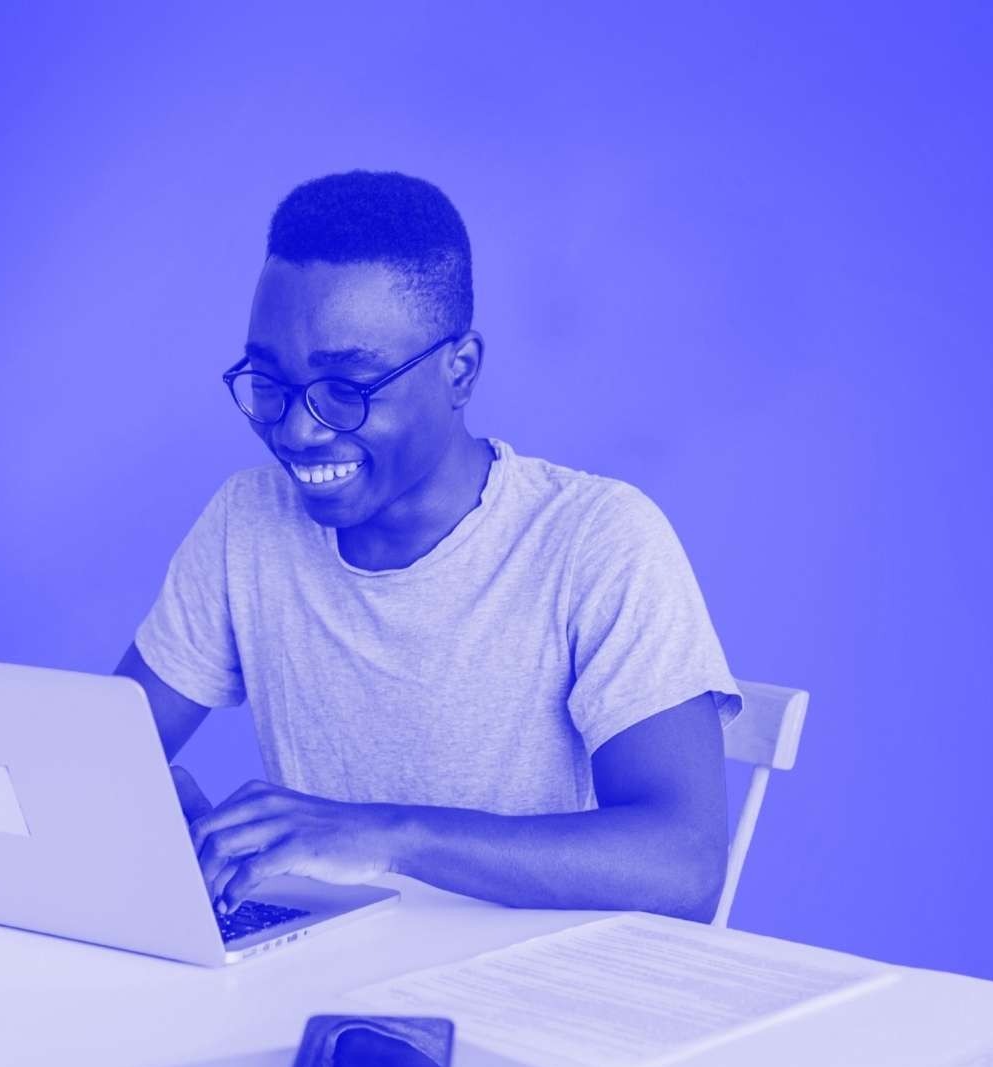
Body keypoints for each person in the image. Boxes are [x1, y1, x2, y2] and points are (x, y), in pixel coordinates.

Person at [117, 170, 741, 922]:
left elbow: (684, 864)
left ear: (460, 370)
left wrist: (386, 835)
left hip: (526, 984)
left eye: (346, 388)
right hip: (325, 974)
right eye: (269, 383)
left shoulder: (595, 539)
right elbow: (108, 750)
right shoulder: (247, 521)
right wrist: (145, 795)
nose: (296, 429)